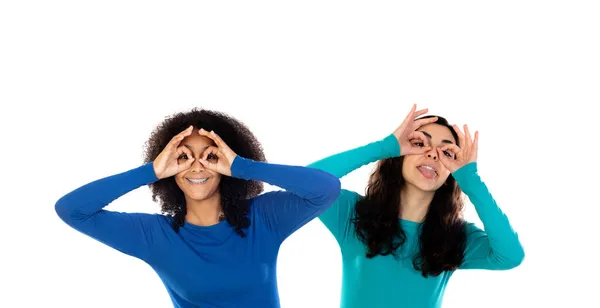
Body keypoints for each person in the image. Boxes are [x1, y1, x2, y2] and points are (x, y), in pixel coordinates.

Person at [55, 108, 342, 308]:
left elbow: (325, 189)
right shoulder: (155, 236)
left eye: (209, 156)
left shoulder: (263, 218)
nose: (196, 167)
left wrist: (241, 166)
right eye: (183, 157)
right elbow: (71, 209)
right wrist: (152, 171)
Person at [308, 104, 525, 308]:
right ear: (398, 156)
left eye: (446, 153)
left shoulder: (457, 236)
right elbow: (306, 183)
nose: (432, 154)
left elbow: (511, 255)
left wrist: (470, 178)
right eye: (420, 143)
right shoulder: (353, 214)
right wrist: (383, 147)